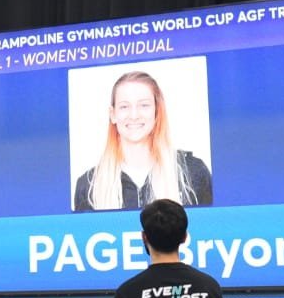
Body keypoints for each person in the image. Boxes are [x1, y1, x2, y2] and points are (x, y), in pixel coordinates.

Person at [73, 71, 212, 211]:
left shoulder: (193, 172)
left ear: (157, 111)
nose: (134, 115)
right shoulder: (88, 185)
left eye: (144, 105)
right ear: (113, 114)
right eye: (124, 107)